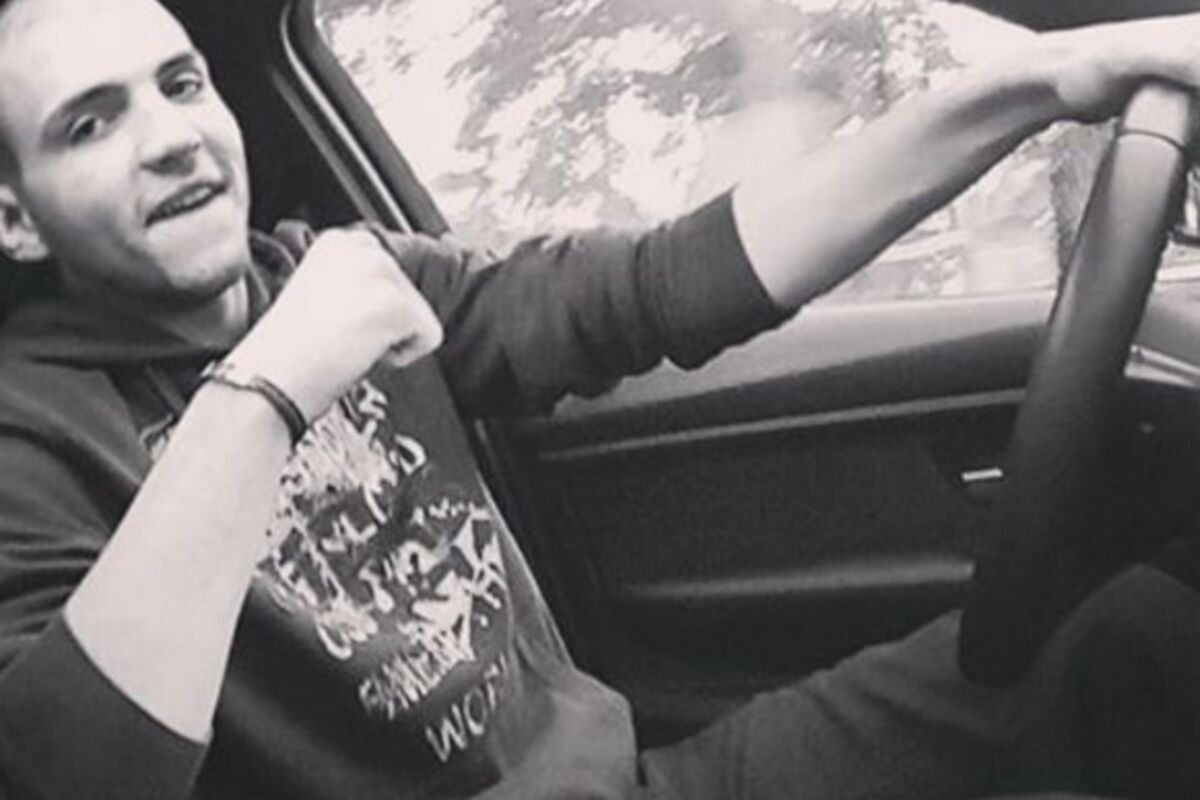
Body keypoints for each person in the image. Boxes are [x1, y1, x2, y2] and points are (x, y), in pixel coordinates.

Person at [0, 0, 1199, 798]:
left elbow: (670, 283)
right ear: (16, 217)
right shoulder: (29, 437)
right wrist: (270, 382)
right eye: (91, 124)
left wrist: (1038, 81)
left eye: (182, 83)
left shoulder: (345, 273)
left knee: (1135, 640)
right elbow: (76, 774)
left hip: (635, 778)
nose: (172, 137)